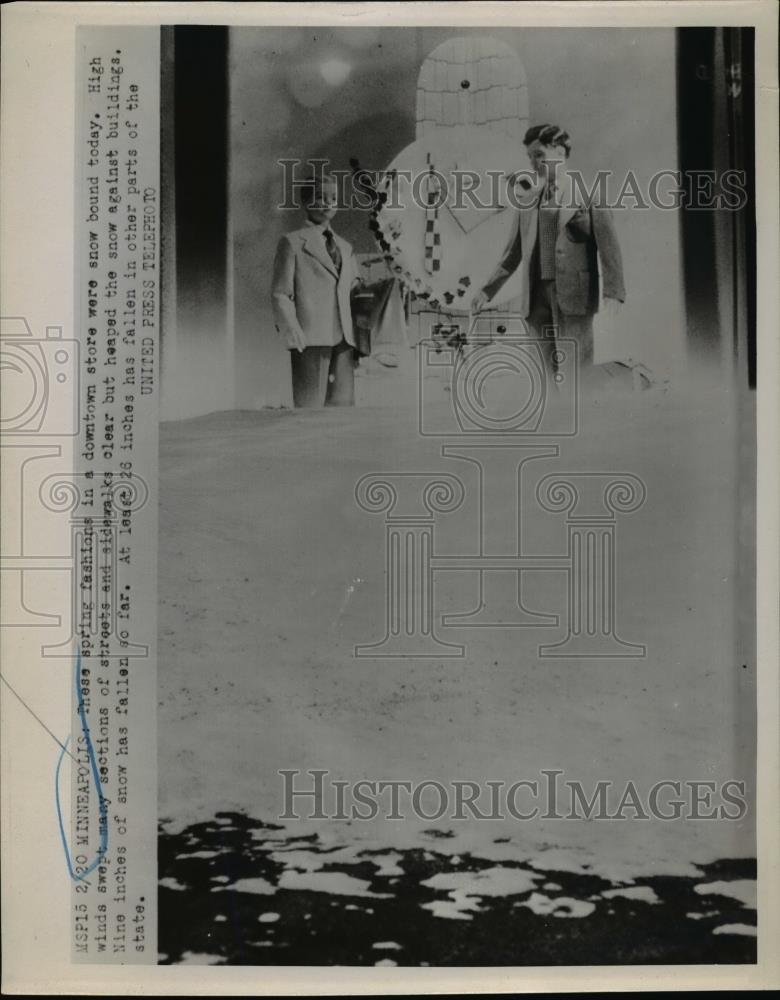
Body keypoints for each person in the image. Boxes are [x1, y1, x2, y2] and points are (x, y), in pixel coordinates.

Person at [471, 124, 626, 382]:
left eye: (539, 155)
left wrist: (614, 291)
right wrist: (487, 290)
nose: (533, 163)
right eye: (530, 157)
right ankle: (552, 419)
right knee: (542, 371)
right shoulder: (528, 199)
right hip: (536, 295)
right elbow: (512, 253)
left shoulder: (588, 194)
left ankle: (582, 418)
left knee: (576, 369)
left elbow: (609, 245)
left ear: (560, 152)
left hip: (573, 294)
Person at [271, 174, 360, 407]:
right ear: (306, 201)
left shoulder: (345, 247)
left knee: (343, 412)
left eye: (333, 198)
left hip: (344, 340)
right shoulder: (292, 243)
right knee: (309, 411)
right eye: (320, 197)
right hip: (310, 338)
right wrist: (292, 329)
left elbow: (354, 290)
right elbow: (281, 293)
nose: (328, 203)